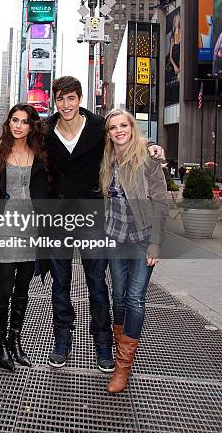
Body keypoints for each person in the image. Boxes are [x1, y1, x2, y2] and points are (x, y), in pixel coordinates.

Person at [44, 76, 164, 371]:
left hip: (93, 217)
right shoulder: (45, 128)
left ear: (80, 99)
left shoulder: (99, 126)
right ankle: (63, 339)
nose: (66, 104)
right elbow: (17, 137)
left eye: (71, 98)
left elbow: (125, 137)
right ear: (54, 101)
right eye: (60, 98)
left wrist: (152, 146)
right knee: (60, 284)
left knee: (97, 283)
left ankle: (103, 343)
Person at [100, 109, 168, 393]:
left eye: (124, 125)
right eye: (113, 127)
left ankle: (123, 367)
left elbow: (161, 202)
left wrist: (156, 243)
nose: (119, 131)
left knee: (134, 299)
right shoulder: (107, 160)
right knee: (118, 296)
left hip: (142, 239)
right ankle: (120, 353)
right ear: (109, 133)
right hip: (116, 238)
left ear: (132, 128)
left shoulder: (148, 160)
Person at [0, 104, 50, 371]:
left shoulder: (42, 155)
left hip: (31, 231)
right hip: (5, 230)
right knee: (5, 290)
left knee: (23, 290)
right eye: (14, 120)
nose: (18, 125)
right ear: (8, 123)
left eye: (24, 121)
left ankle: (15, 341)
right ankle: (0, 344)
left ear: (32, 125)